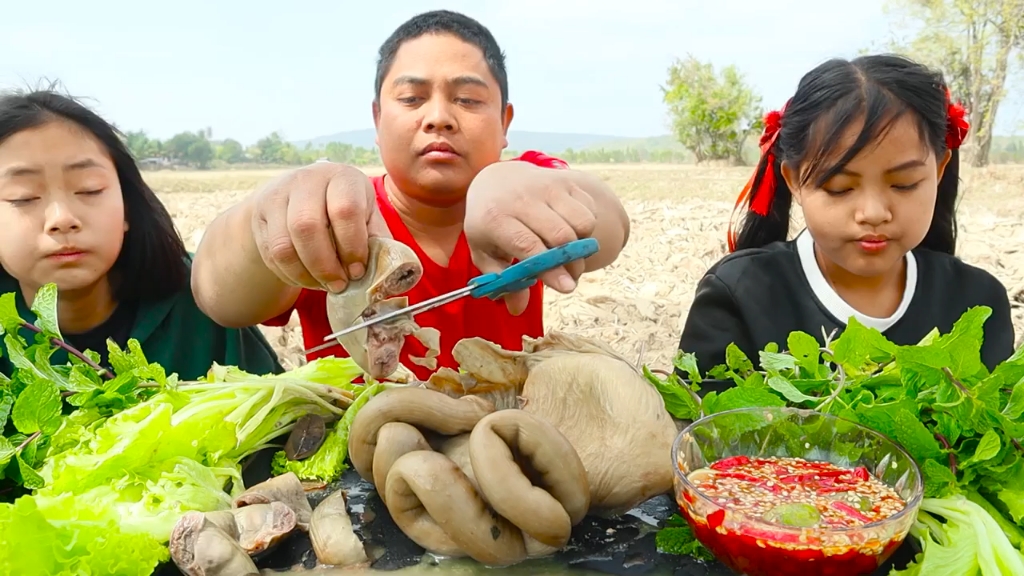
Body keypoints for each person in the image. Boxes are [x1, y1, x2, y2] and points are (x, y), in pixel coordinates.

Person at [191, 10, 630, 380]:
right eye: (411, 98)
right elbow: (220, 297)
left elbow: (610, 225)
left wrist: (512, 178)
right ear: (377, 119)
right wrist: (268, 216)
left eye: (468, 100)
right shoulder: (339, 215)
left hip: (503, 444)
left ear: (505, 121)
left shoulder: (527, 190)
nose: (439, 117)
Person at [678, 54, 1014, 375]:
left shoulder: (977, 305)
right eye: (840, 187)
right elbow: (700, 428)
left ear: (939, 172)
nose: (873, 213)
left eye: (904, 184)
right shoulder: (740, 296)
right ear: (793, 180)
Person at [0, 88, 283, 380]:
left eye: (90, 189)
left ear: (128, 207)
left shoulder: (206, 291)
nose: (62, 219)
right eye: (23, 197)